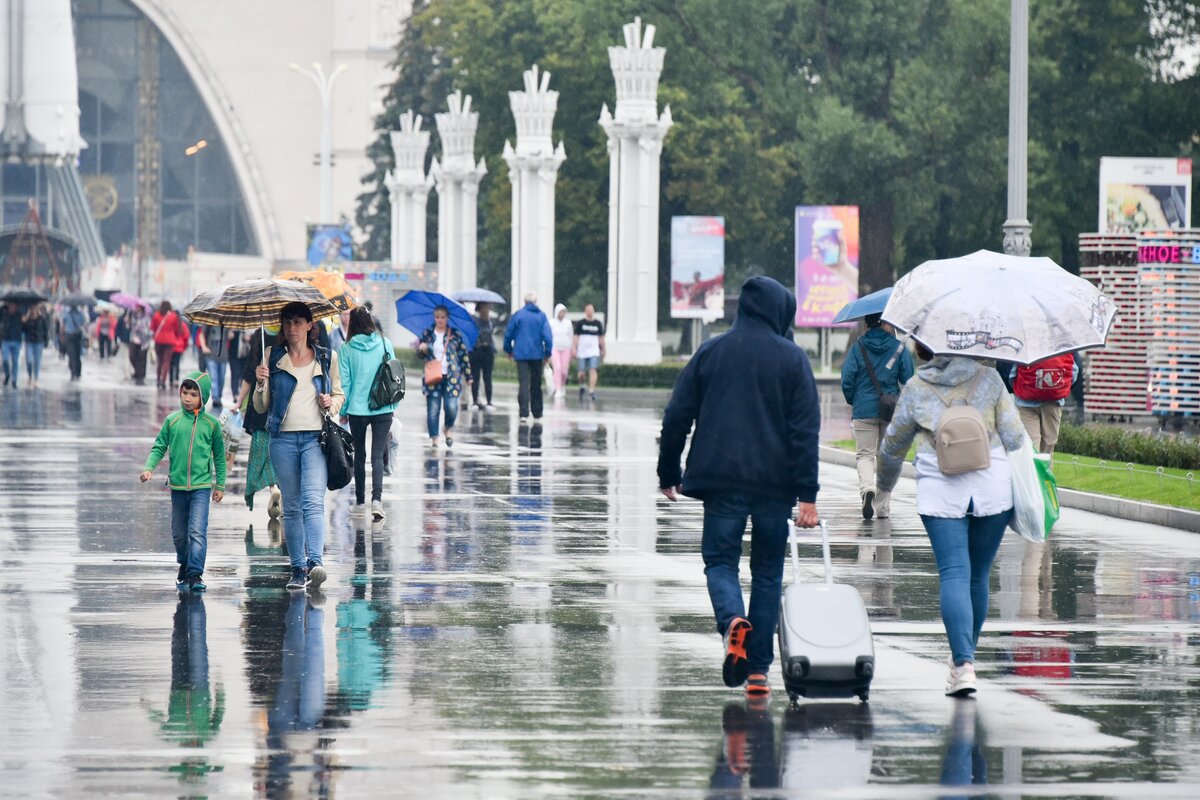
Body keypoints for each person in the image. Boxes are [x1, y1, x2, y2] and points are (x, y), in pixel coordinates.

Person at [658, 276, 822, 700]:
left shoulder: (711, 350)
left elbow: (677, 414)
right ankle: (758, 674)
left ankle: (733, 622)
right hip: (776, 485)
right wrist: (808, 494)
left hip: (720, 480)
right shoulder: (793, 359)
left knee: (720, 562)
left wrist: (668, 471)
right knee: (767, 575)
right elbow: (805, 430)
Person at [877, 343, 1025, 697]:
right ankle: (965, 660)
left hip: (941, 488)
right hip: (992, 489)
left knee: (954, 573)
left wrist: (883, 486)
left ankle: (963, 664)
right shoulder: (989, 379)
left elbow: (893, 445)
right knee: (978, 576)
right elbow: (1016, 436)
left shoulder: (916, 387)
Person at [254, 302, 344, 591]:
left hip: (315, 440)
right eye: (286, 323)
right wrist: (260, 384)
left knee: (313, 502)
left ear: (309, 326)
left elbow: (340, 395)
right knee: (291, 507)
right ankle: (297, 568)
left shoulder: (326, 357)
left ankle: (316, 562)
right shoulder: (272, 356)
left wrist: (331, 403)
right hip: (282, 439)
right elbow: (261, 406)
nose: (291, 328)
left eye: (297, 322)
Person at [140, 371, 226, 592]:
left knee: (197, 531)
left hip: (201, 487)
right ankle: (185, 563)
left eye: (194, 394)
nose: (187, 398)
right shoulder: (172, 421)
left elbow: (219, 456)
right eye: (185, 393)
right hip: (177, 486)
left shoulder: (212, 424)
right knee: (179, 533)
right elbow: (159, 446)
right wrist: (149, 468)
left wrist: (220, 485)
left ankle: (195, 574)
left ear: (203, 397)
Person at [839, 313, 914, 520]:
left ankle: (867, 489)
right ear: (884, 323)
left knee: (865, 455)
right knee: (886, 458)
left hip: (863, 409)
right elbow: (909, 380)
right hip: (890, 410)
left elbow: (847, 379)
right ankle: (882, 508)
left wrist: (855, 402)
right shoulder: (898, 347)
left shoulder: (858, 347)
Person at [338, 307, 399, 519]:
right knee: (377, 455)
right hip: (383, 406)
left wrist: (343, 411)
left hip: (357, 409)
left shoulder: (345, 349)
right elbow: (394, 376)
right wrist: (393, 407)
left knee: (360, 455)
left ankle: (360, 503)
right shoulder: (385, 343)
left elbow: (345, 383)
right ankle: (377, 501)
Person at [234, 333, 281, 519]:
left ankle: (274, 487)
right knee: (282, 451)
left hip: (260, 403)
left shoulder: (259, 336)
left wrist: (239, 402)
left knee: (263, 451)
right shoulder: (290, 333)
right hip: (283, 403)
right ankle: (281, 491)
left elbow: (248, 374)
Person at [418, 304, 471, 448]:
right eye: (437, 317)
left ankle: (447, 428)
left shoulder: (454, 334)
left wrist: (468, 375)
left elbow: (463, 355)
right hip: (433, 376)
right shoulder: (428, 333)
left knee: (451, 407)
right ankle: (435, 437)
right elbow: (419, 355)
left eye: (442, 317)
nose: (439, 320)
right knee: (433, 409)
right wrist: (422, 349)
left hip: (452, 377)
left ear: (447, 318)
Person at [1009, 354, 1078, 455]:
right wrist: (1058, 389)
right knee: (1048, 448)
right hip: (1053, 403)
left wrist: (1021, 389)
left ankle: (1033, 470)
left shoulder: (1026, 346)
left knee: (1031, 447)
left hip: (1026, 403)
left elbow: (1012, 375)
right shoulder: (1061, 345)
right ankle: (1045, 469)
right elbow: (1074, 373)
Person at [504, 293, 553, 422]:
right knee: (536, 384)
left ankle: (523, 414)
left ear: (525, 302)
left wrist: (508, 350)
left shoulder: (518, 315)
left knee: (524, 383)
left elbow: (509, 333)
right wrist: (547, 353)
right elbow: (548, 336)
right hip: (537, 354)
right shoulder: (541, 316)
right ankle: (537, 413)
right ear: (535, 302)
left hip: (521, 354)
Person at [573, 304, 605, 401]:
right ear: (585, 311)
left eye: (592, 310)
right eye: (588, 310)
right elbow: (576, 337)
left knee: (593, 369)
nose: (590, 312)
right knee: (582, 372)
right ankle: (582, 384)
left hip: (593, 350)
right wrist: (574, 348)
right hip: (582, 351)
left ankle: (592, 391)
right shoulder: (580, 323)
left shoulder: (598, 324)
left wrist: (603, 349)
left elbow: (601, 338)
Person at [470, 302, 497, 410]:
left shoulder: (491, 321)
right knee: (475, 377)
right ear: (479, 309)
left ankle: (489, 401)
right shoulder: (474, 320)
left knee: (488, 377)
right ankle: (475, 401)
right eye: (484, 308)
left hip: (488, 351)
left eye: (487, 308)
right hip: (476, 351)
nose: (486, 310)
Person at [152, 301, 185, 390]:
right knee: (166, 362)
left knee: (159, 361)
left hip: (158, 340)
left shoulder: (156, 315)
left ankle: (158, 380)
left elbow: (153, 328)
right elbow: (177, 329)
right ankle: (163, 381)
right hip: (170, 341)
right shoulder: (173, 316)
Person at [21, 302, 52, 389]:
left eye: (34, 308)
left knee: (37, 361)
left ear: (37, 308)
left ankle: (36, 379)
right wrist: (24, 322)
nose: (33, 310)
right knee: (29, 360)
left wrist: (46, 341)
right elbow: (23, 330)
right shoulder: (27, 318)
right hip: (29, 341)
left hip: (39, 342)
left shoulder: (42, 318)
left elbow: (46, 330)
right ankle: (30, 376)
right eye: (31, 308)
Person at [198, 324, 229, 409]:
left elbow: (230, 336)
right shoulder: (209, 322)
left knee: (222, 377)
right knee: (214, 376)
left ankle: (219, 396)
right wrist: (204, 347)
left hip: (223, 355)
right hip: (211, 354)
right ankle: (215, 398)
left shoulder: (227, 322)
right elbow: (201, 335)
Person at [550, 303, 574, 398]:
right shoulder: (551, 322)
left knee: (564, 370)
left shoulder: (568, 323)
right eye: (560, 312)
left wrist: (572, 349)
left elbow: (571, 336)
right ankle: (558, 388)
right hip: (555, 348)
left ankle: (562, 385)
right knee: (557, 368)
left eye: (564, 312)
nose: (562, 314)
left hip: (566, 348)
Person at [1, 301, 23, 388]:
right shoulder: (3, 311)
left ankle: (14, 381)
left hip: (17, 340)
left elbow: (24, 326)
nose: (12, 307)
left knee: (15, 361)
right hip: (6, 340)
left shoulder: (20, 314)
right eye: (11, 305)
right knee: (5, 360)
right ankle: (7, 374)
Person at [62, 304, 87, 381]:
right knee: (77, 354)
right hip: (78, 335)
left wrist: (62, 335)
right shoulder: (81, 314)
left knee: (71, 354)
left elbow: (63, 325)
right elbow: (84, 323)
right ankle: (78, 372)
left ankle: (72, 371)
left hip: (69, 335)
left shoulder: (66, 314)